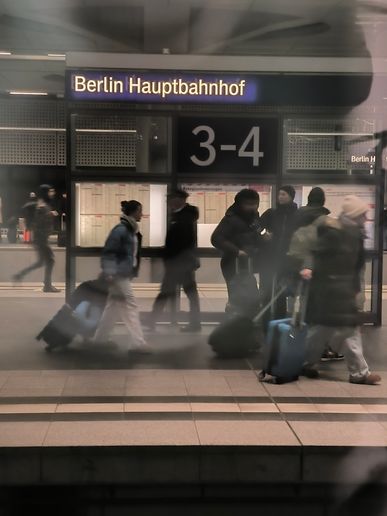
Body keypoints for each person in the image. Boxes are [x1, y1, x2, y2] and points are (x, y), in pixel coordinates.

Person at [300, 195, 381, 385]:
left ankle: (307, 364)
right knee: (342, 330)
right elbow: (315, 252)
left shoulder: (356, 235)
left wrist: (355, 288)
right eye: (363, 214)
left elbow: (357, 265)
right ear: (355, 215)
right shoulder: (334, 233)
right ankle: (359, 373)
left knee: (326, 330)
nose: (365, 218)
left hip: (342, 289)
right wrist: (308, 267)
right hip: (328, 288)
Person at [93, 200, 152, 354]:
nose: (142, 214)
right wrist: (110, 273)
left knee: (112, 307)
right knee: (130, 305)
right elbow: (109, 253)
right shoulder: (120, 230)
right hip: (118, 275)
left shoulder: (131, 230)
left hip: (122, 274)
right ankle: (138, 343)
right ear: (133, 212)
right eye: (140, 211)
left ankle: (99, 339)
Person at [290, 186, 342, 362]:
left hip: (297, 266)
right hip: (317, 269)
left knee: (300, 307)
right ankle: (320, 348)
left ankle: (296, 342)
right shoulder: (325, 220)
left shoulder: (297, 216)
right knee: (318, 309)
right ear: (323, 200)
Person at [149, 189, 201, 332]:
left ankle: (151, 321)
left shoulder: (184, 217)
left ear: (179, 200)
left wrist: (169, 255)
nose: (168, 202)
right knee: (189, 294)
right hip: (181, 263)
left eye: (170, 199)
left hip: (179, 264)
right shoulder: (182, 216)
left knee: (167, 293)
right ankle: (195, 323)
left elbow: (181, 242)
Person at [211, 188, 265, 308]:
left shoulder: (254, 218)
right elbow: (216, 238)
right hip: (232, 263)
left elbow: (255, 237)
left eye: (255, 204)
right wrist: (237, 251)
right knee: (237, 295)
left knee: (250, 295)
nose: (252, 207)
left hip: (248, 263)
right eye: (248, 204)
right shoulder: (230, 219)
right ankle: (234, 320)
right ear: (240, 204)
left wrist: (263, 239)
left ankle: (247, 321)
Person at [260, 185, 298, 319]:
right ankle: (267, 317)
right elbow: (258, 226)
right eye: (280, 194)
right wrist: (264, 234)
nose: (281, 197)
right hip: (271, 257)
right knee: (268, 288)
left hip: (288, 258)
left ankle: (283, 317)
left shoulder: (297, 215)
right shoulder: (272, 213)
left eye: (284, 194)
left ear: (291, 197)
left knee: (282, 290)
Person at [13, 184, 60, 292]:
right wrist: (42, 239)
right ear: (45, 193)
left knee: (41, 262)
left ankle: (20, 275)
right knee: (50, 261)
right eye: (50, 191)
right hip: (41, 240)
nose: (52, 193)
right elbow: (38, 223)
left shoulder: (42, 205)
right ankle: (47, 285)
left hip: (41, 239)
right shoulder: (41, 206)